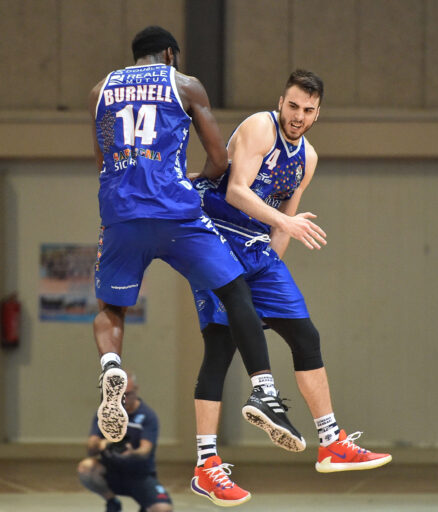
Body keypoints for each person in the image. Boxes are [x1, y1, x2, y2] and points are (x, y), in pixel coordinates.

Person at [88, 26, 320, 459]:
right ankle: (264, 390)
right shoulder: (184, 85)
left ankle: (111, 367)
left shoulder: (100, 90)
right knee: (236, 291)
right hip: (177, 213)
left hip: (120, 215)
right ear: (171, 54)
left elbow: (103, 160)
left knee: (110, 308)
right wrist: (197, 181)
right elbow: (220, 160)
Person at [189, 70, 392, 505]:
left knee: (306, 335)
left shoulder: (308, 158)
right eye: (293, 105)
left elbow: (285, 221)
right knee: (220, 348)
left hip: (259, 248)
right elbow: (239, 192)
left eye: (308, 110)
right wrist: (284, 224)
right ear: (282, 101)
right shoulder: (260, 127)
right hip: (215, 236)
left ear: (319, 114)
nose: (298, 116)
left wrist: (270, 272)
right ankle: (206, 465)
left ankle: (331, 441)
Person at [77, 371, 172, 512]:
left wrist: (132, 453)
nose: (124, 400)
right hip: (111, 472)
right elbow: (90, 450)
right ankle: (112, 501)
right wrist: (102, 444)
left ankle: (146, 505)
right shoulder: (105, 412)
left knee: (163, 509)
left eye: (128, 394)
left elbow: (146, 451)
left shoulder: (147, 416)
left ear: (136, 390)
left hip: (139, 476)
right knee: (86, 468)